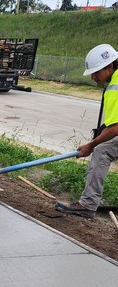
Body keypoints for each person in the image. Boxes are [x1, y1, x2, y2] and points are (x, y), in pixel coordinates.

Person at [55, 44, 118, 218]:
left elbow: (116, 128)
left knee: (101, 151)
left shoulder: (115, 88)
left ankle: (88, 204)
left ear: (109, 67)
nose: (93, 77)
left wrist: (91, 144)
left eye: (96, 72)